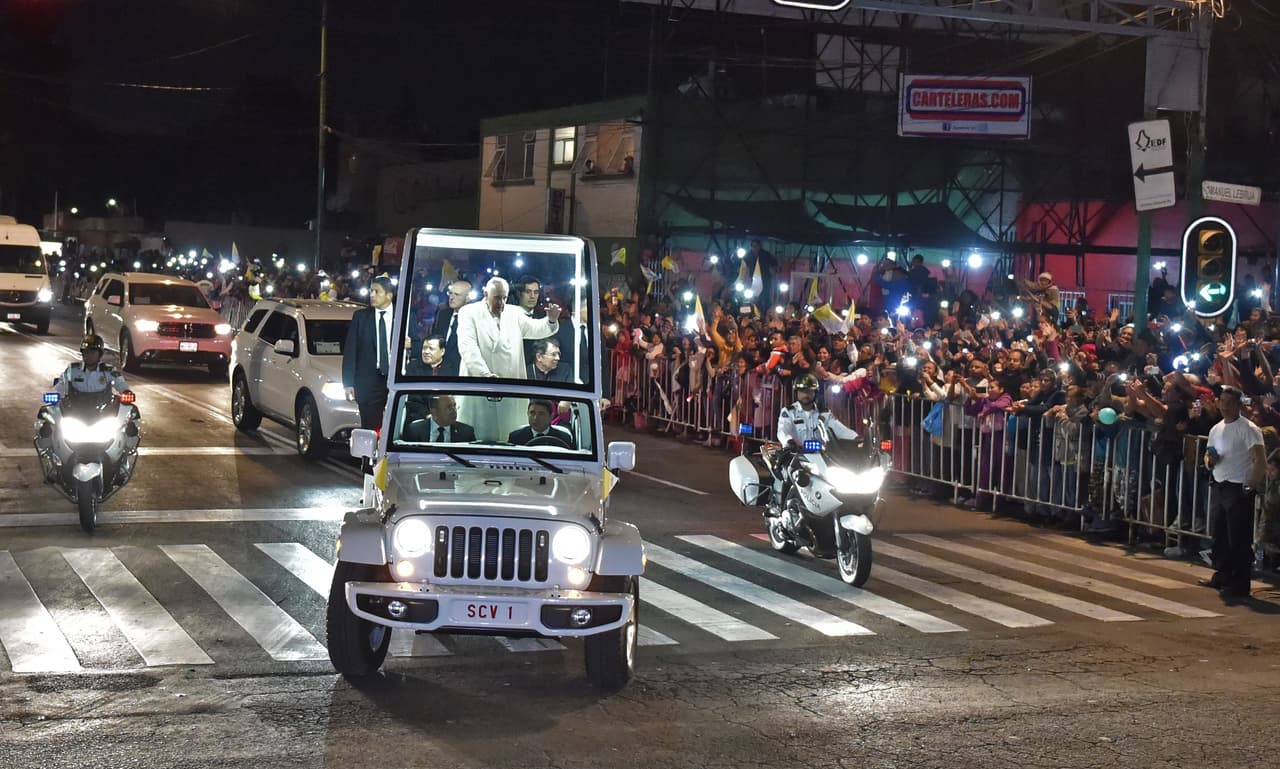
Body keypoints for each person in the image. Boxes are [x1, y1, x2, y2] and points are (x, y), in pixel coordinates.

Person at [1200, 385, 1265, 600]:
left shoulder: (1248, 429)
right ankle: (1223, 573)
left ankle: (1240, 582)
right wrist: (1210, 462)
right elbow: (1208, 454)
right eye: (1222, 402)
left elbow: (1259, 459)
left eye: (1229, 404)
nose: (1224, 407)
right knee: (1220, 535)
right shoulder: (1216, 428)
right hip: (1220, 483)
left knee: (1238, 537)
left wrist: (1251, 484)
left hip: (1238, 486)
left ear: (1238, 405)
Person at [455, 276, 560, 379]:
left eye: (504, 298)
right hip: (478, 385)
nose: (501, 302)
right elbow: (468, 348)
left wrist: (551, 320)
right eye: (497, 298)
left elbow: (535, 329)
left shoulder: (514, 312)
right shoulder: (468, 312)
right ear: (486, 294)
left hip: (510, 386)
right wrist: (484, 374)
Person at [342, 274, 395, 429]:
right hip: (369, 382)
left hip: (394, 380)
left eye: (376, 292)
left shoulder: (403, 316)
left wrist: (411, 344)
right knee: (370, 428)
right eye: (371, 291)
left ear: (389, 295)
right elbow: (351, 350)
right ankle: (369, 453)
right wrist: (348, 382)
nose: (372, 295)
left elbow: (419, 345)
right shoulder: (361, 317)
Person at [54, 334, 132, 402]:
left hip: (103, 412)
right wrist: (56, 394)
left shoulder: (109, 371)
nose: (89, 355)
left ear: (100, 354)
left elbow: (121, 384)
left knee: (131, 412)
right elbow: (61, 386)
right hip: (75, 411)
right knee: (47, 412)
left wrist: (126, 392)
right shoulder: (72, 370)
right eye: (86, 352)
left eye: (93, 352)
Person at [430, 278, 472, 377]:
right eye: (450, 293)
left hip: (463, 372)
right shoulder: (443, 314)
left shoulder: (475, 318)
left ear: (468, 298)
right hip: (441, 371)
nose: (451, 297)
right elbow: (436, 339)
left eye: (457, 294)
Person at [402, 394, 476, 443]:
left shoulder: (466, 432)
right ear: (434, 411)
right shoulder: (414, 430)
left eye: (454, 406)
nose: (454, 411)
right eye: (449, 407)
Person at [508, 399, 575, 448]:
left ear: (551, 416)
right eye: (532, 413)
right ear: (527, 414)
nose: (535, 418)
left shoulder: (564, 438)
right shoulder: (515, 437)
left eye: (541, 414)